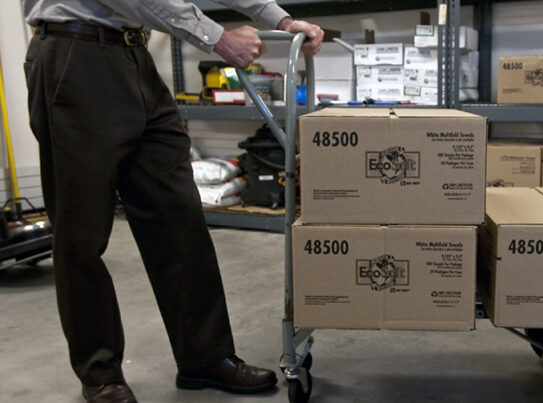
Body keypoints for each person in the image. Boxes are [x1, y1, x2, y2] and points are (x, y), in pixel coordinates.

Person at [22, 1, 323, 402]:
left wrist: (280, 19)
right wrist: (218, 39)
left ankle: (204, 356)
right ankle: (101, 373)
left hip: (135, 54)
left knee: (178, 215)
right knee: (81, 233)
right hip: (76, 56)